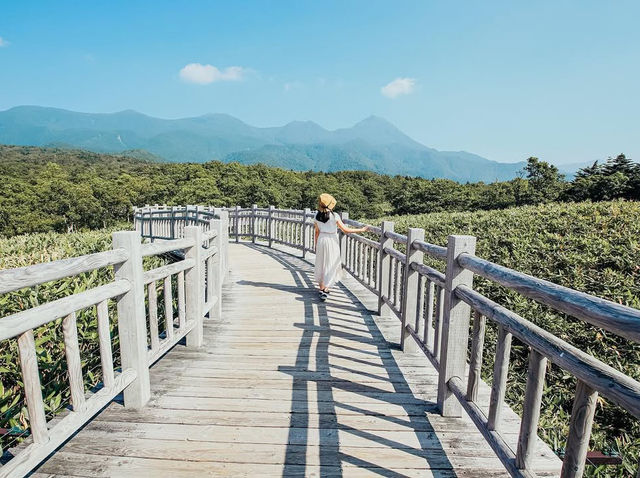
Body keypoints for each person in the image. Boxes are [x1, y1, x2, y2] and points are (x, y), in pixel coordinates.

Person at [314, 193, 368, 300]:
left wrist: (316, 244)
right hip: (332, 240)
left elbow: (316, 232)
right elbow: (345, 230)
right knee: (330, 263)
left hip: (321, 240)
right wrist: (361, 230)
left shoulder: (316, 215)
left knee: (321, 262)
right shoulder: (334, 216)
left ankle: (321, 288)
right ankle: (326, 288)